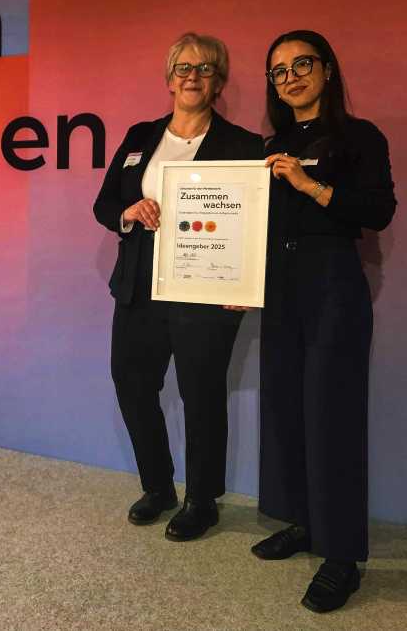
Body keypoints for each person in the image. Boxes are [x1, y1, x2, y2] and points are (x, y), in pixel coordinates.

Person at [93, 32, 262, 541]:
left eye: (205, 68)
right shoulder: (140, 136)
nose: (193, 76)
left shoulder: (244, 146)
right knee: (132, 382)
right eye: (183, 68)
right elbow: (105, 204)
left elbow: (256, 224)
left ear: (219, 82)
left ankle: (202, 500)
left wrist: (245, 284)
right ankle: (158, 487)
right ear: (169, 79)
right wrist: (129, 211)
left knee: (201, 394)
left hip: (204, 291)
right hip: (138, 286)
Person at [252, 30, 396, 613]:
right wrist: (234, 281)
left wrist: (310, 185)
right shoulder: (270, 145)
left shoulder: (360, 137)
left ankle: (341, 558)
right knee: (286, 408)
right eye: (279, 70)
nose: (291, 77)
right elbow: (250, 226)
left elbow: (379, 210)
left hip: (332, 284)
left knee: (332, 416)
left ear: (328, 69)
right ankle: (304, 522)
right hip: (278, 287)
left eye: (301, 64)